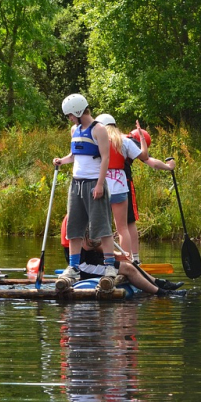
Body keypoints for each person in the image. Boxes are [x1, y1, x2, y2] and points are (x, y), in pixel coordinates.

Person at [52, 93, 117, 288]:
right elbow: (74, 155)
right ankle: (73, 267)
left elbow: (105, 158)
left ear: (79, 111)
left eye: (70, 114)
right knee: (74, 226)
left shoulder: (99, 130)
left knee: (101, 226)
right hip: (76, 184)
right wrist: (62, 161)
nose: (69, 118)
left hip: (93, 184)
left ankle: (109, 265)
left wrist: (99, 184)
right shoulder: (75, 130)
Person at [59, 215, 186, 296]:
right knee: (128, 269)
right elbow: (87, 246)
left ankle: (159, 283)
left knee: (130, 263)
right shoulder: (75, 218)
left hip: (91, 259)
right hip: (83, 265)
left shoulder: (88, 213)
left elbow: (94, 246)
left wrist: (115, 254)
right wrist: (103, 235)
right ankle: (161, 293)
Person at [124, 123, 176, 264]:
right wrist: (168, 167)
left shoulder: (115, 138)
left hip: (101, 183)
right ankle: (134, 259)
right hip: (123, 184)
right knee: (129, 223)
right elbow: (151, 162)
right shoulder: (132, 143)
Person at [94, 113, 143, 256]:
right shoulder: (124, 141)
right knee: (123, 228)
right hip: (120, 187)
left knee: (101, 228)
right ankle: (128, 260)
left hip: (101, 187)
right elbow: (145, 157)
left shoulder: (96, 141)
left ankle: (104, 258)